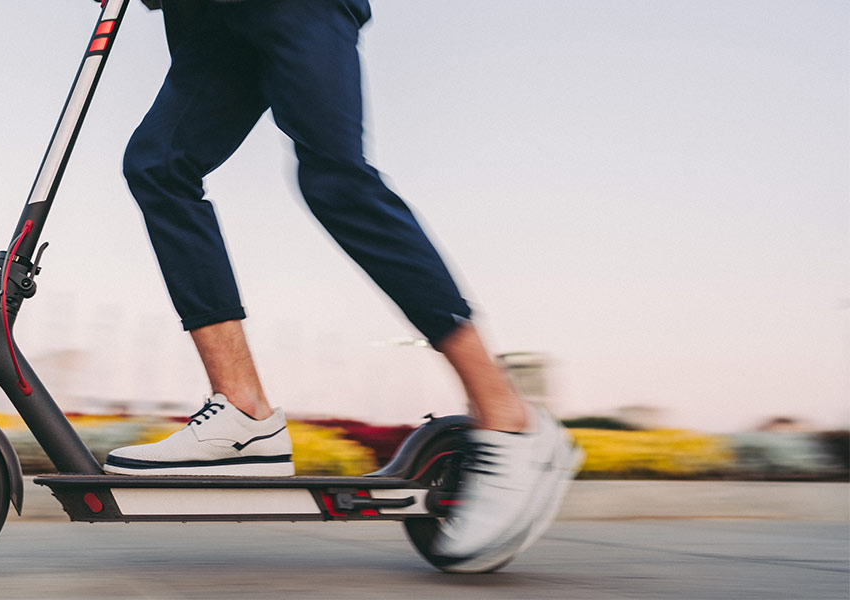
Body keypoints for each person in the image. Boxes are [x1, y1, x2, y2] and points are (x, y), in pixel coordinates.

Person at [104, 0, 581, 562]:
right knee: (157, 166)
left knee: (337, 181)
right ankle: (243, 411)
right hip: (210, 16)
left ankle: (507, 416)